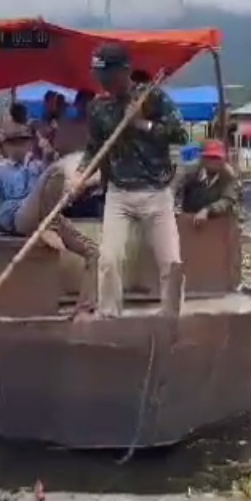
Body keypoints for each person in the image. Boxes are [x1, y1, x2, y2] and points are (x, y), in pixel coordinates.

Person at [76, 43, 189, 317]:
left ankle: (173, 319)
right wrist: (80, 176)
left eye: (107, 74)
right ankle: (109, 316)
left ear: (124, 71)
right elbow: (94, 148)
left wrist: (143, 124)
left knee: (171, 262)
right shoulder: (98, 108)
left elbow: (181, 135)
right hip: (119, 193)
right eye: (98, 75)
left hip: (156, 191)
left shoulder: (152, 98)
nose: (102, 81)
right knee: (109, 260)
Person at [0, 123, 98, 318]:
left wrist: (47, 154)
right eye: (13, 143)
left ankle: (85, 308)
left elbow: (52, 179)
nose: (18, 147)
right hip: (20, 216)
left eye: (23, 142)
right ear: (5, 147)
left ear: (29, 145)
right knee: (55, 172)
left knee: (94, 253)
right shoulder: (1, 172)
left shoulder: (36, 167)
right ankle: (44, 227)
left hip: (50, 215)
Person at [179, 139, 240, 224]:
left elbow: (227, 200)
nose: (213, 162)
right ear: (203, 159)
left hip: (219, 223)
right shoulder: (191, 174)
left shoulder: (228, 177)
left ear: (223, 160)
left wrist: (208, 210)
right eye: (210, 157)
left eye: (217, 158)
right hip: (190, 220)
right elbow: (176, 191)